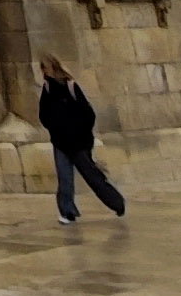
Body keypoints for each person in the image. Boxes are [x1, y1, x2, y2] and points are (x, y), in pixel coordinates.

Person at [34, 58, 127, 224]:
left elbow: (88, 113)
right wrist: (54, 128)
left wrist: (79, 131)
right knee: (65, 178)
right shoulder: (47, 90)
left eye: (45, 68)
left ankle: (117, 203)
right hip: (60, 142)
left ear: (53, 68)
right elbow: (43, 114)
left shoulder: (70, 86)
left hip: (78, 143)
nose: (43, 72)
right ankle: (67, 211)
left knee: (92, 176)